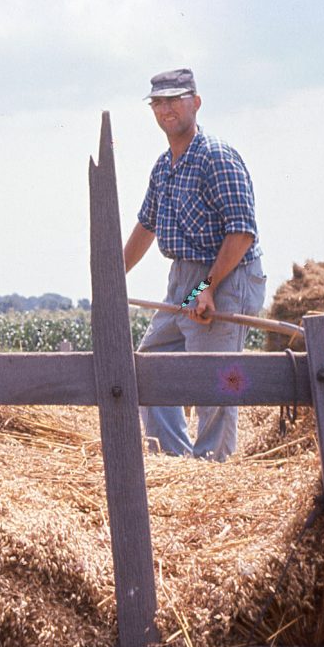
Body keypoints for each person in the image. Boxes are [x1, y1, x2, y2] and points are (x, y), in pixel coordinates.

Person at [122, 68, 267, 461]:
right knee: (150, 363)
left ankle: (213, 468)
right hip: (184, 274)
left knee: (215, 380)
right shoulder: (164, 165)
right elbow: (147, 224)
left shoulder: (216, 156)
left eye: (175, 99)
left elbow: (241, 233)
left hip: (227, 273)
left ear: (196, 103)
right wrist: (112, 277)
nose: (166, 109)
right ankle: (175, 462)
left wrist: (207, 289)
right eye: (158, 102)